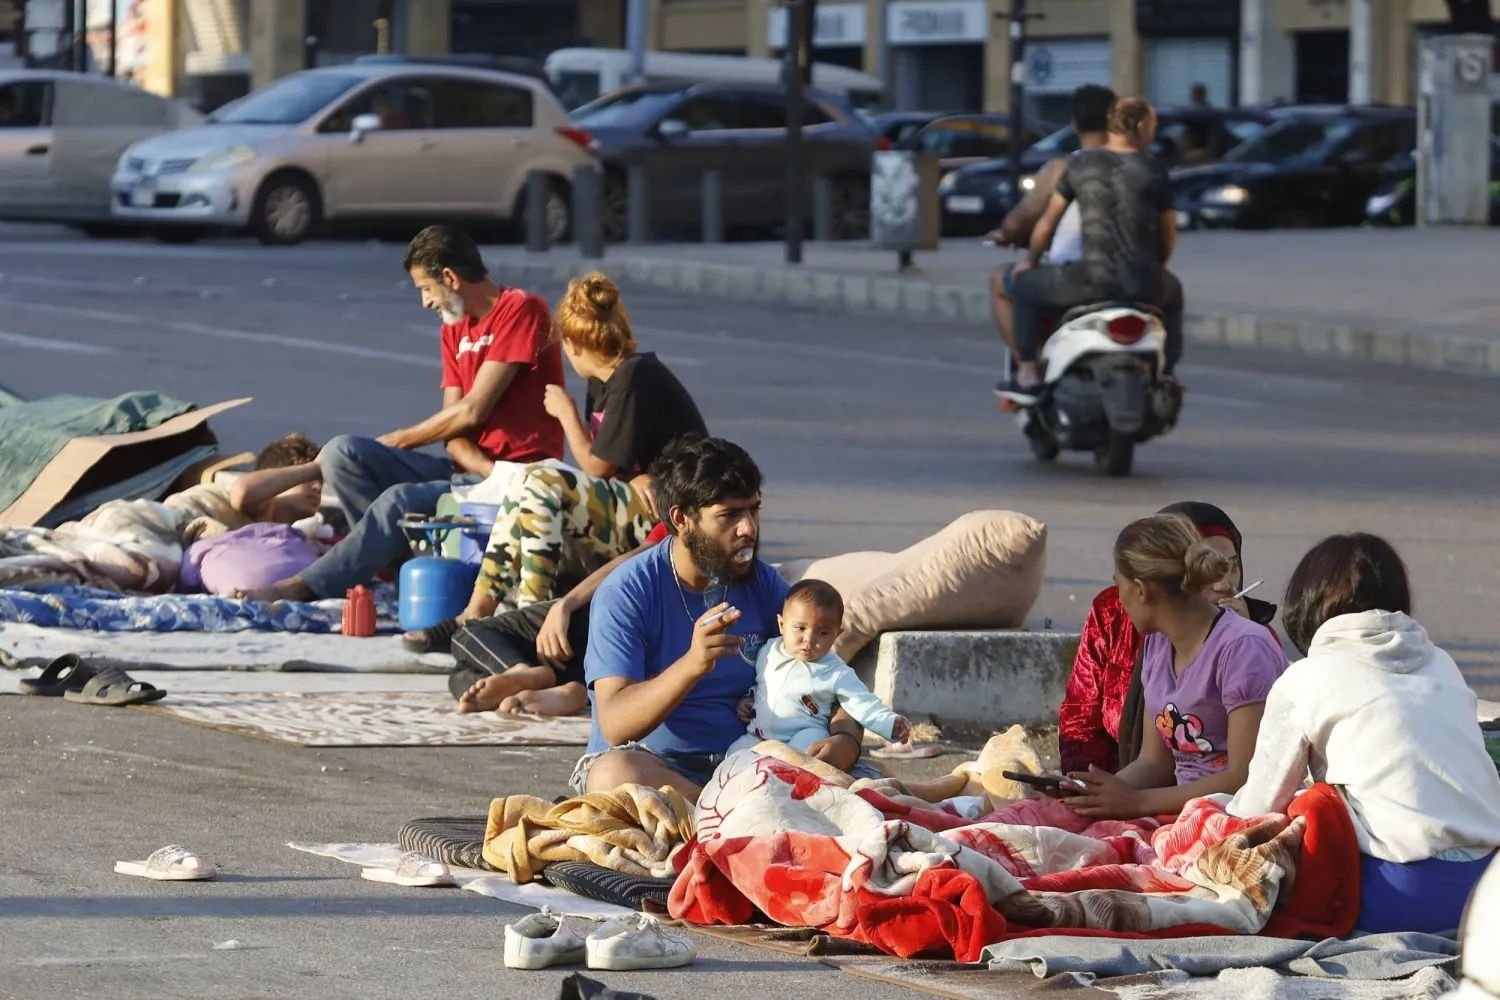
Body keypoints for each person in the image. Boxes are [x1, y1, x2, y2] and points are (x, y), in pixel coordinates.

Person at [241, 225, 563, 602]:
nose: (426, 302)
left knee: (399, 499)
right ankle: (399, 571)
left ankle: (307, 585)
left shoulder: (521, 309)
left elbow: (473, 410)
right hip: (470, 474)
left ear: (450, 278)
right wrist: (472, 463)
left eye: (426, 289)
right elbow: (453, 425)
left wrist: (399, 441)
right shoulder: (453, 330)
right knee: (344, 452)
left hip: (517, 477)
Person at [403, 271, 707, 653]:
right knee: (529, 480)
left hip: (671, 520)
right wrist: (632, 478)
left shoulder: (634, 376)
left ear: (576, 344)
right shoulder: (604, 384)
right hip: (637, 503)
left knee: (545, 483)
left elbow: (597, 466)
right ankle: (476, 612)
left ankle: (528, 619)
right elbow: (617, 462)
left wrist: (565, 415)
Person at [570, 436, 872, 801]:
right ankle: (730, 815)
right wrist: (692, 665)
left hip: (750, 762)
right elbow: (616, 724)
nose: (749, 529)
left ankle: (738, 815)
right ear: (682, 519)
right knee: (614, 776)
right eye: (730, 515)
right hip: (662, 767)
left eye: (753, 510)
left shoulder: (761, 584)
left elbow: (837, 682)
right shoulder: (627, 592)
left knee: (874, 785)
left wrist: (844, 740)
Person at [1229, 534, 1500, 935]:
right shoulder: (1441, 663)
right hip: (1487, 890)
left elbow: (1260, 804)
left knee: (1316, 804)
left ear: (1307, 606)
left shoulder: (1306, 678)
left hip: (1404, 896)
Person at [1062, 513, 1287, 820]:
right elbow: (1154, 763)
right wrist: (1094, 796)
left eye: (1120, 586)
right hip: (1179, 814)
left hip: (1234, 820)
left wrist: (1137, 803)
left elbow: (1245, 778)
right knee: (1043, 823)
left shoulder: (1243, 649)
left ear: (1141, 589)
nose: (1120, 599)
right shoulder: (1157, 644)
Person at [1000, 97, 1186, 405]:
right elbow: (1168, 235)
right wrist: (1156, 269)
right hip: (1143, 281)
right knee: (1174, 293)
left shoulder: (1080, 165)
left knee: (1023, 287)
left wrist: (1030, 261)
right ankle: (1168, 371)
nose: (1153, 135)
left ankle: (1029, 371)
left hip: (1086, 279)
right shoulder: (1153, 169)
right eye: (1153, 128)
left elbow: (1046, 225)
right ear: (1140, 128)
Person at [449, 524, 670, 717]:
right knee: (461, 676)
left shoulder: (683, 528)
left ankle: (520, 670)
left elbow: (632, 563)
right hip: (610, 661)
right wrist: (563, 606)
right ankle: (572, 690)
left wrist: (566, 604)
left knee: (467, 633)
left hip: (613, 620)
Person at [988, 84, 1115, 365]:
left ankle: (1028, 368)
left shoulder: (1061, 169)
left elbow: (1026, 221)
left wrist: (1006, 234)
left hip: (1073, 275)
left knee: (1002, 280)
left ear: (1073, 123)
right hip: (1129, 275)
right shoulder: (1137, 168)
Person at [728, 579, 910, 754]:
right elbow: (765, 684)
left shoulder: (835, 671)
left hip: (804, 733)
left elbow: (861, 702)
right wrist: (750, 699)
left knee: (804, 755)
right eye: (800, 628)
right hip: (761, 735)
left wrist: (890, 723)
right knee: (734, 755)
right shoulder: (768, 652)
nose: (809, 639)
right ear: (782, 625)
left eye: (823, 633)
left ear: (837, 634)